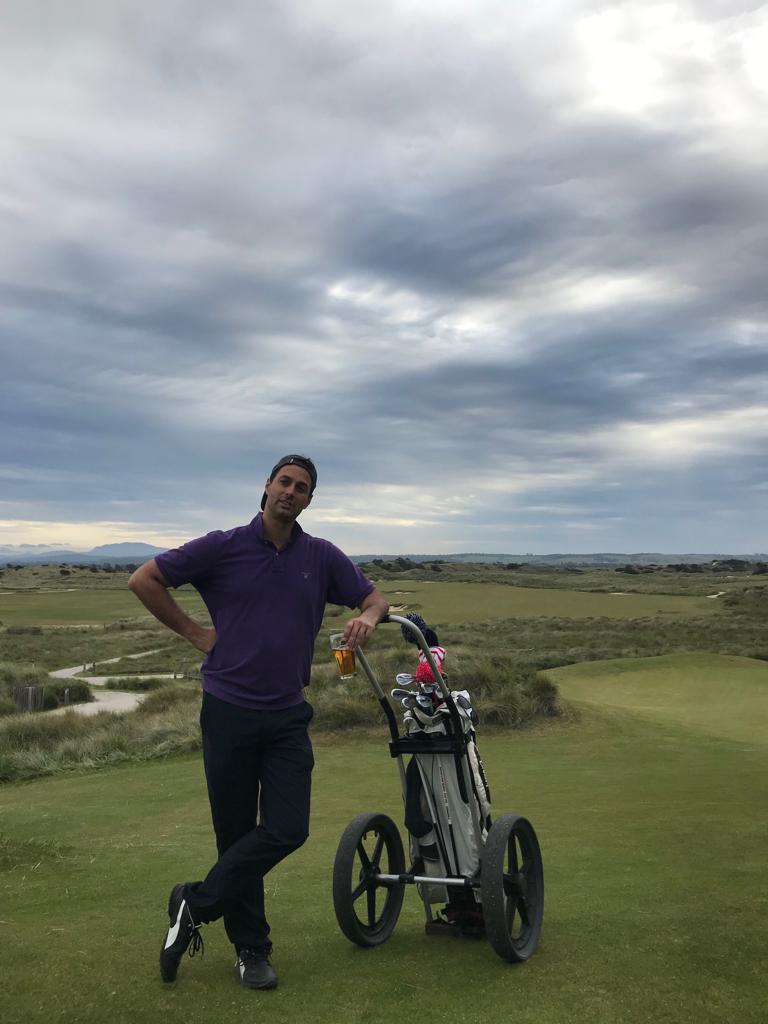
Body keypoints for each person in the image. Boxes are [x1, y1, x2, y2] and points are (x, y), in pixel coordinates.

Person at [128, 454, 389, 991]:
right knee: (236, 835)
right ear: (267, 487)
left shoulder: (320, 556)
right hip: (228, 712)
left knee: (289, 828)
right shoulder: (223, 546)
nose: (291, 492)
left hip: (288, 713)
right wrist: (197, 634)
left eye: (302, 487)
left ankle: (193, 904)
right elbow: (145, 579)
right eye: (284, 482)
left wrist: (367, 615)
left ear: (309, 500)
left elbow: (373, 597)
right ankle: (251, 950)